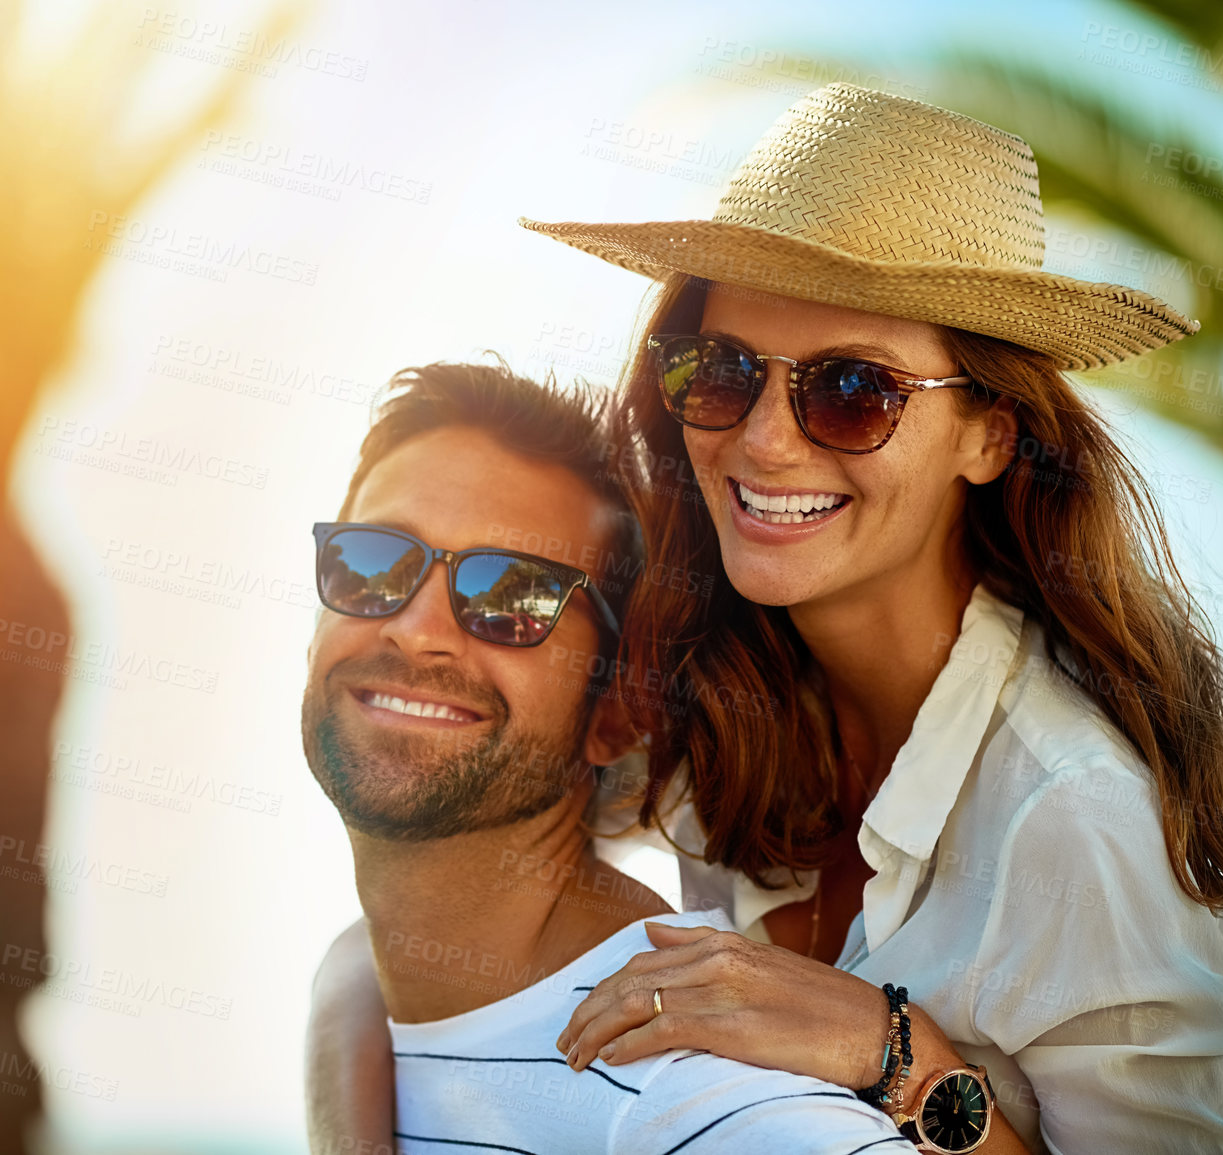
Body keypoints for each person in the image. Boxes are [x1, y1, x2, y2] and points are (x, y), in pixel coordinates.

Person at [514, 84, 1223, 1153]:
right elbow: (434, 878)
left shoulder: (1078, 818)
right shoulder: (711, 698)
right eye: (722, 373)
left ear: (990, 434)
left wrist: (892, 1054)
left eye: (851, 391)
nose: (762, 444)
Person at [301, 360, 916, 1153]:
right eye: (376, 560)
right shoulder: (391, 998)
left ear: (618, 712)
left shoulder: (702, 1104)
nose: (413, 627)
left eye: (512, 595)